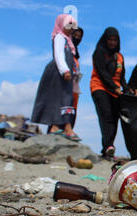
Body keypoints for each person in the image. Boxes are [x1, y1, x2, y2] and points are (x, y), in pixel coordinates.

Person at [31, 14, 81, 142]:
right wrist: (65, 70)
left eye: (72, 26)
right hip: (59, 73)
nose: (71, 29)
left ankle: (57, 126)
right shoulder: (59, 37)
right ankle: (65, 128)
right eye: (68, 25)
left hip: (65, 74)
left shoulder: (68, 41)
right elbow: (58, 55)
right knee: (62, 99)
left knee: (62, 99)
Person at [90, 27, 131, 159]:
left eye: (115, 40)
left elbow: (122, 77)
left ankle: (107, 149)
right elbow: (102, 73)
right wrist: (114, 87)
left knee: (114, 118)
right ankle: (109, 146)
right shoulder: (99, 53)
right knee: (106, 115)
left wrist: (127, 89)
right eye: (110, 40)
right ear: (105, 40)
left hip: (116, 91)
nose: (112, 42)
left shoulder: (119, 57)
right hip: (100, 87)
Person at [71, 27, 84, 129]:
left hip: (74, 89)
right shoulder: (64, 50)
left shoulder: (76, 55)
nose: (77, 38)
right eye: (74, 35)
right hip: (64, 89)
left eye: (79, 37)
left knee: (73, 111)